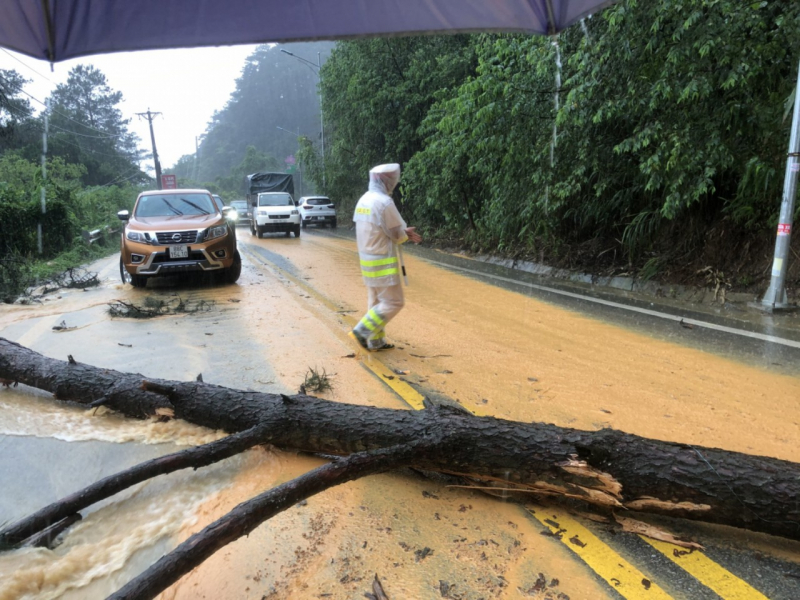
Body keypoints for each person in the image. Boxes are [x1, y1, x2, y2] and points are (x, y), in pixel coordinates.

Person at [350, 163, 422, 351]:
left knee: (375, 302)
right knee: (394, 302)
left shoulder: (364, 200)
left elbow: (379, 228)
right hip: (383, 261)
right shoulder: (384, 202)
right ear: (387, 181)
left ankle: (375, 341)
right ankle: (362, 331)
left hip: (367, 260)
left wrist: (401, 232)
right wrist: (406, 233)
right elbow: (397, 234)